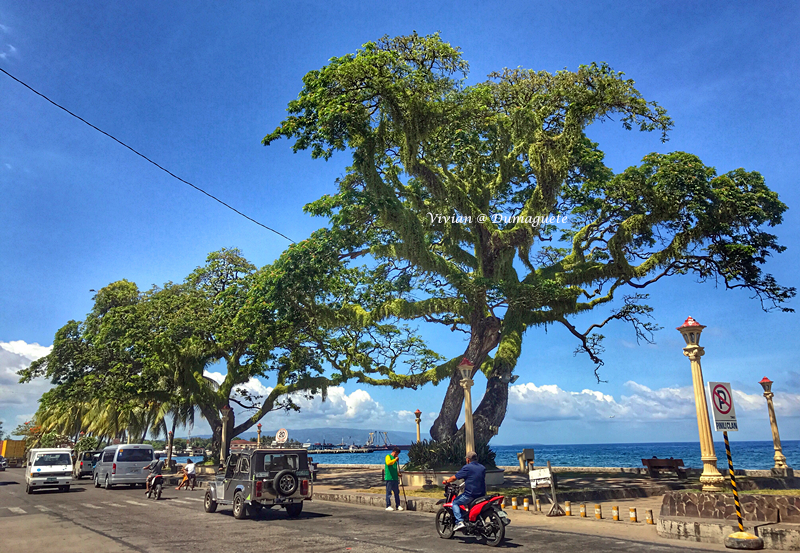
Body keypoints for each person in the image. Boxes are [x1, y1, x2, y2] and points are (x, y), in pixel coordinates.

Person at [442, 451, 486, 532]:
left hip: (471, 494)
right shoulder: (482, 468)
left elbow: (455, 477)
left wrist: (447, 481)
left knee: (455, 502)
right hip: (482, 494)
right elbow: (475, 478)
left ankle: (459, 522)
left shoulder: (467, 467)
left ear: (468, 460)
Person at [384, 447, 403, 511]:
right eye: (397, 454)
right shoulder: (388, 456)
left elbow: (394, 468)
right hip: (389, 478)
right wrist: (395, 460)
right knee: (389, 492)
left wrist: (398, 474)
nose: (397, 455)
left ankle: (398, 505)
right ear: (394, 452)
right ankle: (388, 505)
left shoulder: (394, 459)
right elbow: (388, 463)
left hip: (395, 478)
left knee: (396, 492)